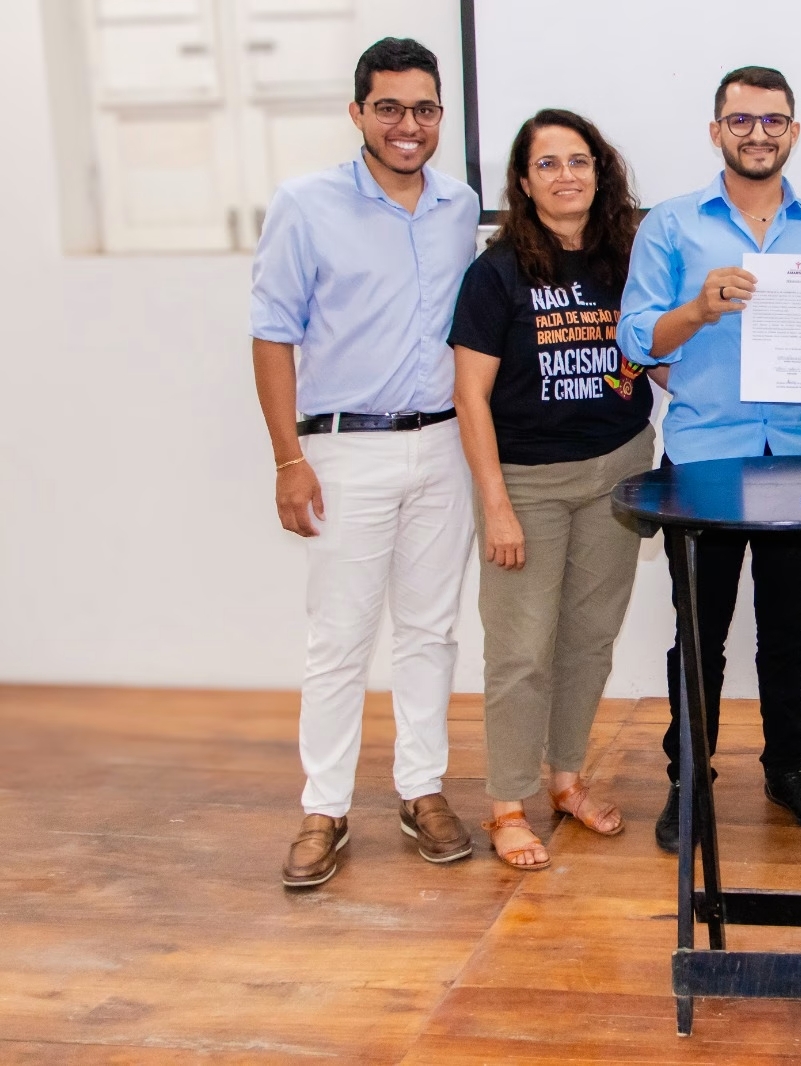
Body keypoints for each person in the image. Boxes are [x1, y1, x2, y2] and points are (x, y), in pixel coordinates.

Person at [618, 65, 801, 853]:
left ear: (793, 132)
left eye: (773, 121)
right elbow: (636, 337)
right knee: (700, 633)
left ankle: (787, 769)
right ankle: (688, 779)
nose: (757, 134)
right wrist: (698, 308)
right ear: (716, 131)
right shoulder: (671, 225)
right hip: (704, 462)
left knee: (787, 632)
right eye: (741, 120)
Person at [251, 38, 480, 888]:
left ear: (440, 116)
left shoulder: (460, 206)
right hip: (343, 448)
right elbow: (271, 334)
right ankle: (324, 808)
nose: (407, 125)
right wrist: (288, 459)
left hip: (446, 446)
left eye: (423, 109)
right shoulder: (305, 204)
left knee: (430, 630)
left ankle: (421, 789)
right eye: (388, 108)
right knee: (340, 637)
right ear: (358, 113)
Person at [449, 110, 655, 869]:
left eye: (579, 160)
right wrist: (496, 505)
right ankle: (507, 802)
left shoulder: (628, 259)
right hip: (528, 485)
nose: (566, 175)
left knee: (589, 641)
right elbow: (470, 397)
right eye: (548, 164)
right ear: (524, 182)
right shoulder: (496, 272)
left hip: (618, 469)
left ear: (600, 172)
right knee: (520, 653)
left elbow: (656, 351)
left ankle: (566, 780)